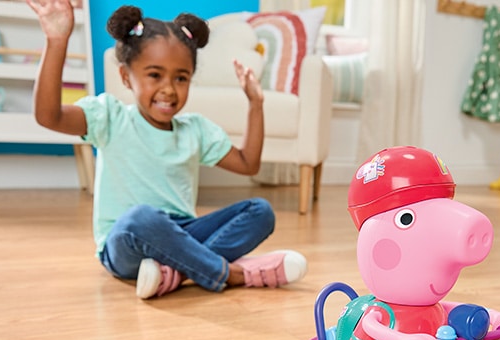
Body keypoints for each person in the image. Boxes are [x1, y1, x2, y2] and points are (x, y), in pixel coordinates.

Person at [25, 1, 307, 299]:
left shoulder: (195, 129)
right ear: (126, 77)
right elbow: (49, 116)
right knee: (141, 218)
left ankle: (175, 274)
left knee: (260, 212)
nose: (169, 89)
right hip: (127, 242)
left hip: (182, 234)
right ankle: (229, 273)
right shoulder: (110, 117)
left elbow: (248, 164)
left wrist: (256, 105)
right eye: (155, 75)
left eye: (180, 78)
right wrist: (57, 41)